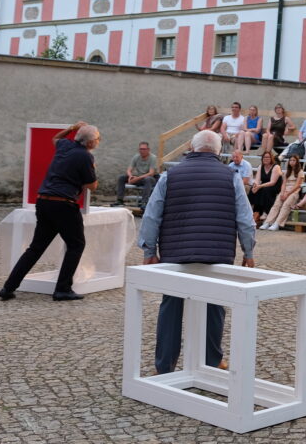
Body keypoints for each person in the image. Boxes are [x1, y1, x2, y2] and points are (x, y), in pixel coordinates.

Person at [137, 130, 256, 374]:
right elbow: (245, 219)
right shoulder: (230, 176)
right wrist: (248, 251)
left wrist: (150, 250)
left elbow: (151, 216)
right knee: (214, 305)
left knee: (171, 305)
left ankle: (164, 365)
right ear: (217, 150)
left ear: (192, 147)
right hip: (217, 252)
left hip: (175, 251)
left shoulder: (170, 175)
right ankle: (212, 361)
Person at [0, 122, 101, 302]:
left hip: (44, 201)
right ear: (90, 143)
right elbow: (92, 186)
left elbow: (55, 138)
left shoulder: (64, 145)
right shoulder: (85, 157)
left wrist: (71, 128)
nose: (99, 141)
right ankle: (62, 289)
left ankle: (8, 287)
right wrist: (93, 169)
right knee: (76, 245)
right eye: (98, 138)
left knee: (36, 248)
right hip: (63, 204)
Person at [261, 154, 304, 230]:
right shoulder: (287, 172)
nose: (292, 162)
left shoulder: (300, 172)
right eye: (290, 160)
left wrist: (288, 194)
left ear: (297, 162)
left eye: (294, 160)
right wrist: (282, 193)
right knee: (276, 205)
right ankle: (268, 222)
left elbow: (297, 186)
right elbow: (283, 184)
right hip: (285, 191)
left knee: (286, 205)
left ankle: (277, 223)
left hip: (294, 192)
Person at [114, 140, 159, 208]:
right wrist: (130, 176)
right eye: (140, 149)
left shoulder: (153, 158)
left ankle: (144, 202)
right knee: (121, 178)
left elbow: (151, 173)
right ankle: (119, 200)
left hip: (151, 178)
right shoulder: (136, 157)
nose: (142, 151)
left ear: (148, 150)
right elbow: (129, 169)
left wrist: (136, 178)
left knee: (148, 179)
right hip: (140, 177)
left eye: (144, 149)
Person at [249, 150, 283, 225]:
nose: (266, 159)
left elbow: (272, 182)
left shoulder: (276, 167)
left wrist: (259, 186)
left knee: (265, 190)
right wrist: (255, 186)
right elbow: (257, 180)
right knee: (253, 189)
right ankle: (255, 211)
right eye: (264, 157)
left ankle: (265, 211)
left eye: (268, 157)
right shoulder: (260, 166)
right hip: (264, 185)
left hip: (275, 186)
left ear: (271, 158)